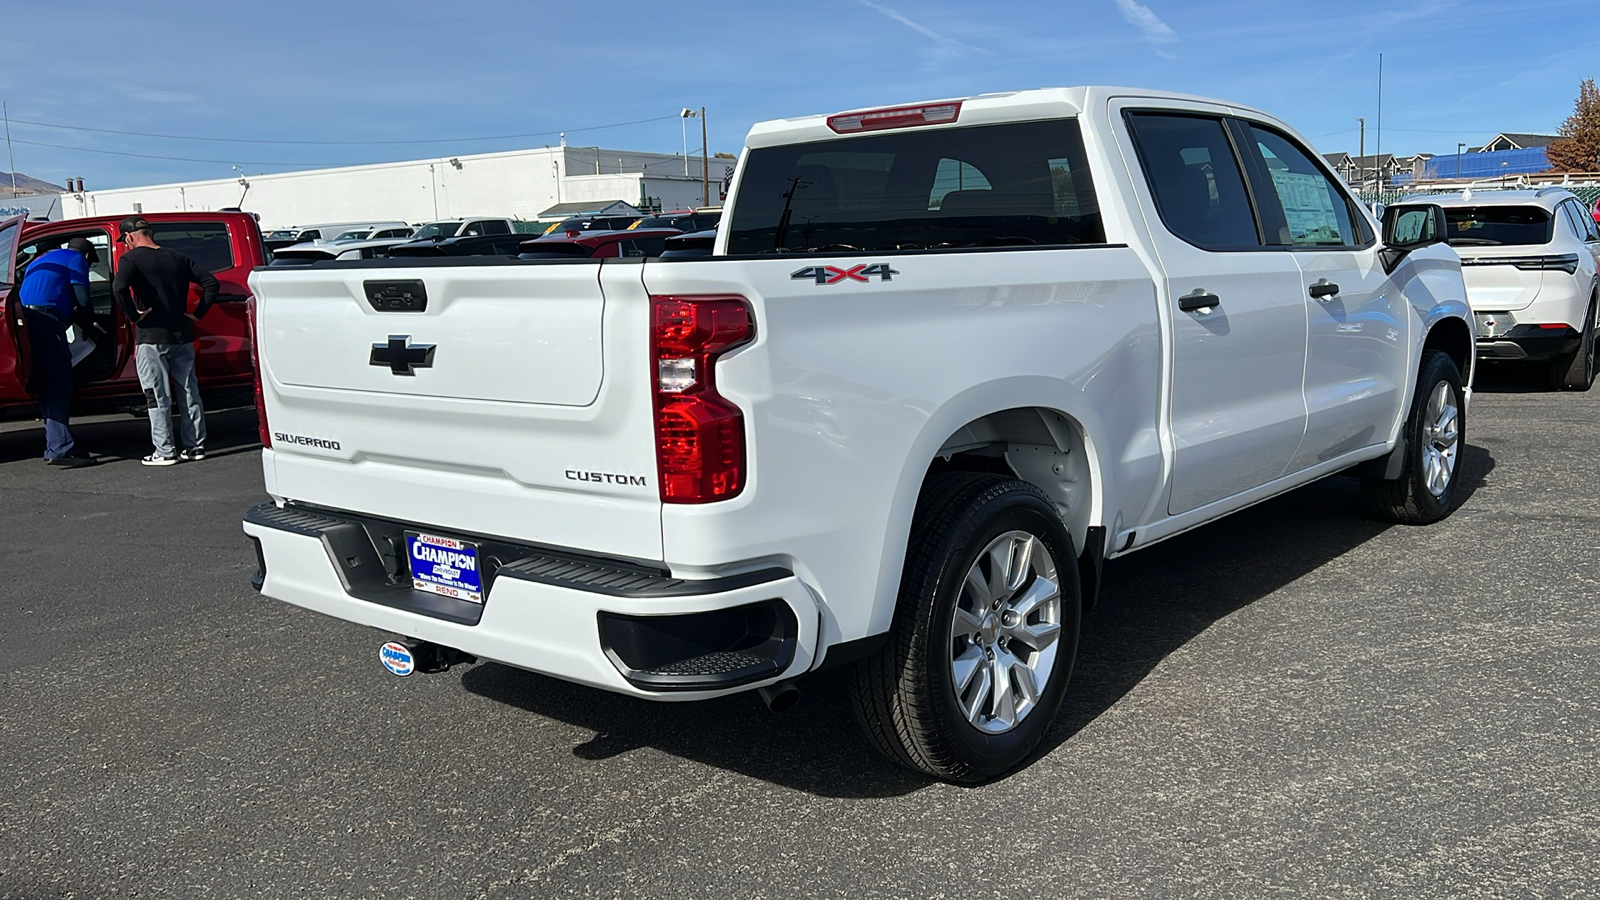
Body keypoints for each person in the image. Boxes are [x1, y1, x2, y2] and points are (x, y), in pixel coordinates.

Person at [111, 216, 218, 466]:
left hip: (151, 337)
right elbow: (211, 282)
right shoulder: (177, 257)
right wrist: (198, 313)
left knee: (156, 395)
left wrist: (133, 315)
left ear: (129, 237)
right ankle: (195, 447)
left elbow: (119, 288)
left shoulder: (131, 259)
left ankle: (165, 451)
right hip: (181, 335)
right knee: (189, 392)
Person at [17, 238, 100, 468]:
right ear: (86, 255)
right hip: (46, 322)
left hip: (26, 321)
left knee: (46, 384)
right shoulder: (75, 259)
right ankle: (60, 448)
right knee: (58, 383)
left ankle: (57, 443)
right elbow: (83, 300)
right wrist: (90, 327)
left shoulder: (41, 259)